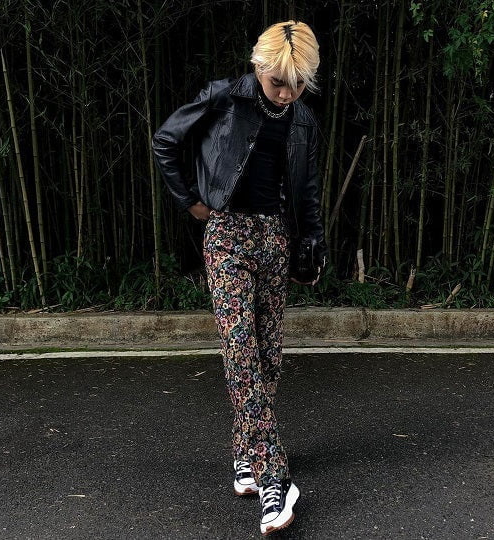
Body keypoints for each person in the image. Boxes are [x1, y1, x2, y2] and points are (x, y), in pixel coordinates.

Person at [152, 20, 327, 536]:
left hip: (274, 239)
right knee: (240, 352)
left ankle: (245, 453)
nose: (287, 93)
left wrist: (312, 245)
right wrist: (191, 202)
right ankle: (275, 478)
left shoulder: (304, 121)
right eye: (278, 83)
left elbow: (308, 192)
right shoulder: (224, 97)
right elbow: (166, 140)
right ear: (258, 66)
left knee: (267, 356)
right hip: (226, 235)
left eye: (298, 85)